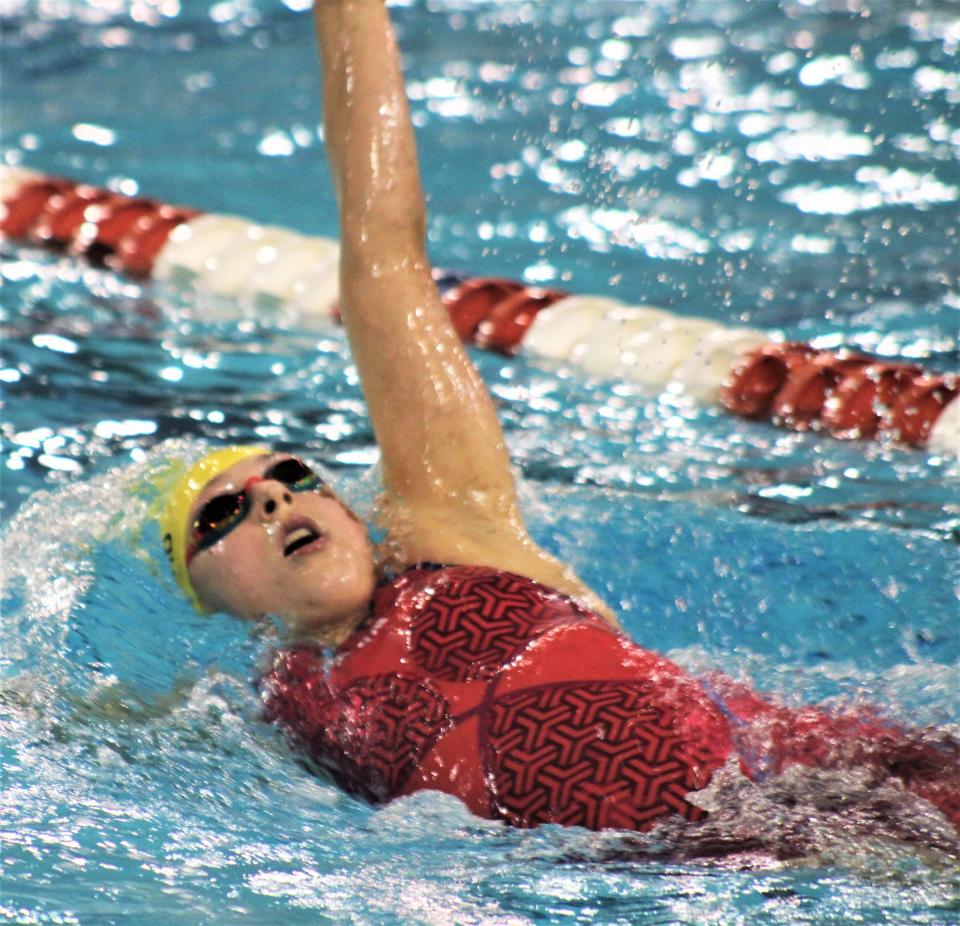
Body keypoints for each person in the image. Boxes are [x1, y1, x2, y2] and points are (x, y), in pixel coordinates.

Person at [158, 0, 959, 838]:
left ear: (354, 513)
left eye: (291, 478)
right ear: (203, 598)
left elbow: (383, 251)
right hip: (692, 867)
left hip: (807, 774)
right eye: (223, 515)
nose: (276, 502)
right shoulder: (257, 716)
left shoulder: (447, 530)